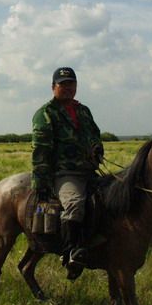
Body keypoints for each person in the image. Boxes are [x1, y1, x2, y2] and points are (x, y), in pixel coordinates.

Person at [31, 67, 104, 280]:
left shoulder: (84, 110)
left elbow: (95, 135)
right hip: (64, 172)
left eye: (71, 83)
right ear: (53, 87)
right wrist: (41, 183)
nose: (68, 88)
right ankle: (70, 253)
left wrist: (97, 148)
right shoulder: (45, 113)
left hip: (89, 170)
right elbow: (41, 150)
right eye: (63, 84)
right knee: (74, 203)